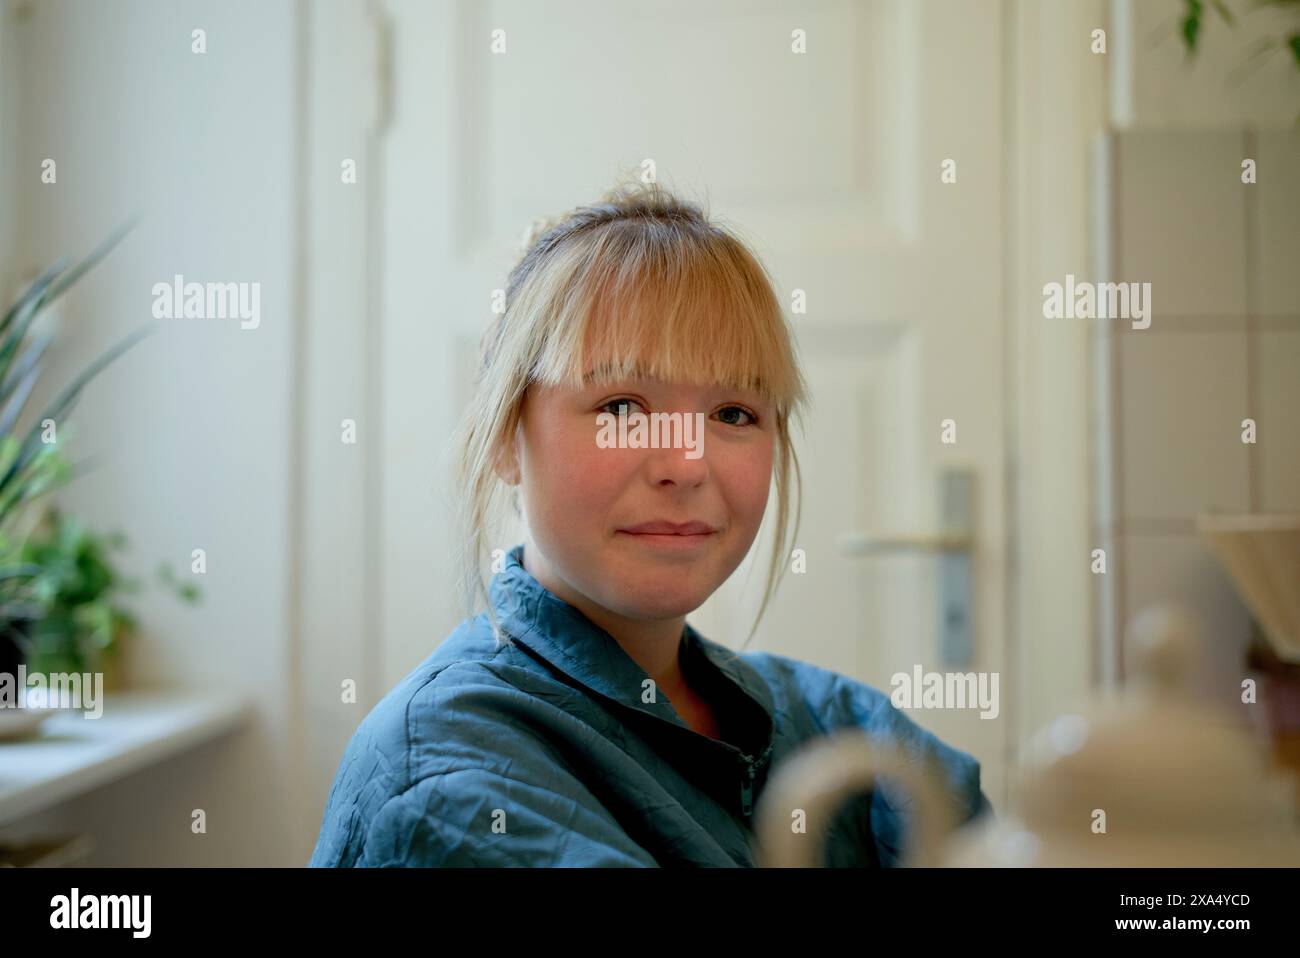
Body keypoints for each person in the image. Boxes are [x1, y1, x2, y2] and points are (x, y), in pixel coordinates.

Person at [309, 179, 993, 867]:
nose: (687, 465)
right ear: (505, 439)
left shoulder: (832, 723)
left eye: (733, 414)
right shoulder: (447, 774)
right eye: (622, 407)